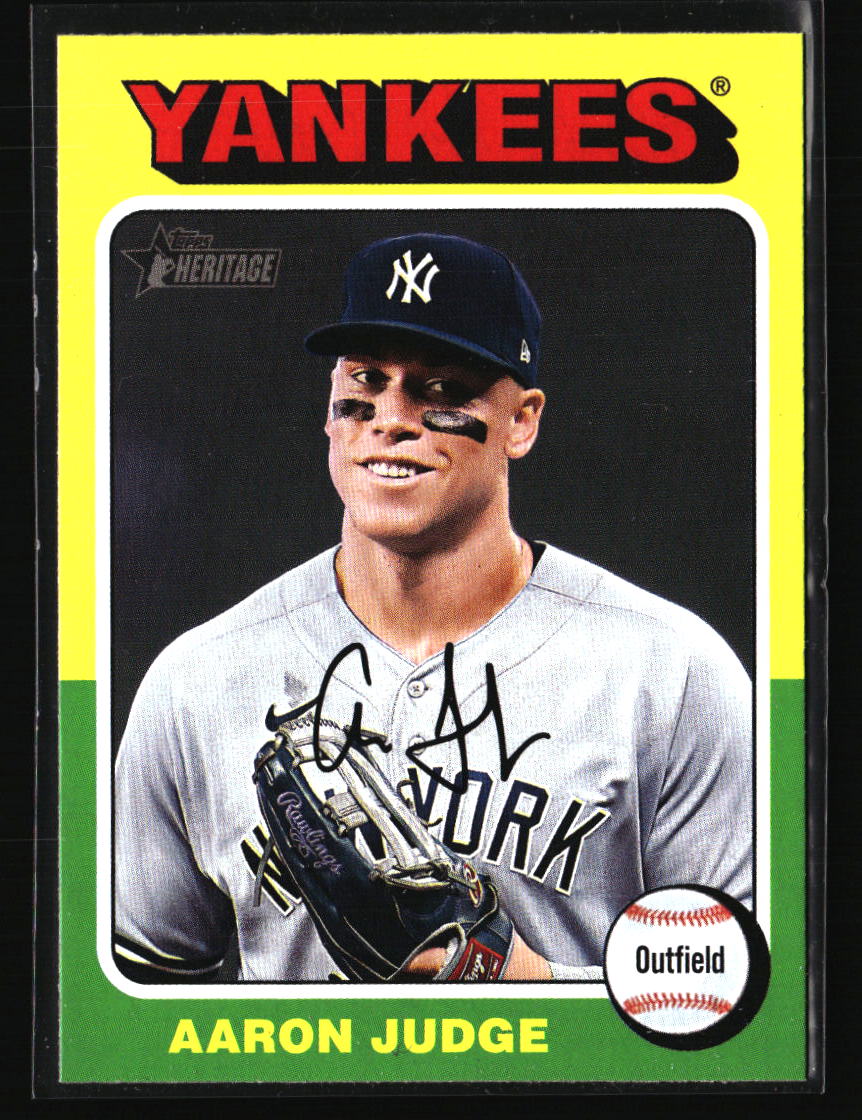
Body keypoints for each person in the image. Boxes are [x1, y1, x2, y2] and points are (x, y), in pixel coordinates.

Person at [113, 233, 752, 984]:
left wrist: (513, 977)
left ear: (522, 421)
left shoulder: (671, 671)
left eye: (441, 389)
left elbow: (739, 1001)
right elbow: (129, 1005)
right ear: (329, 409)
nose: (391, 418)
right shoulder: (197, 679)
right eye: (366, 380)